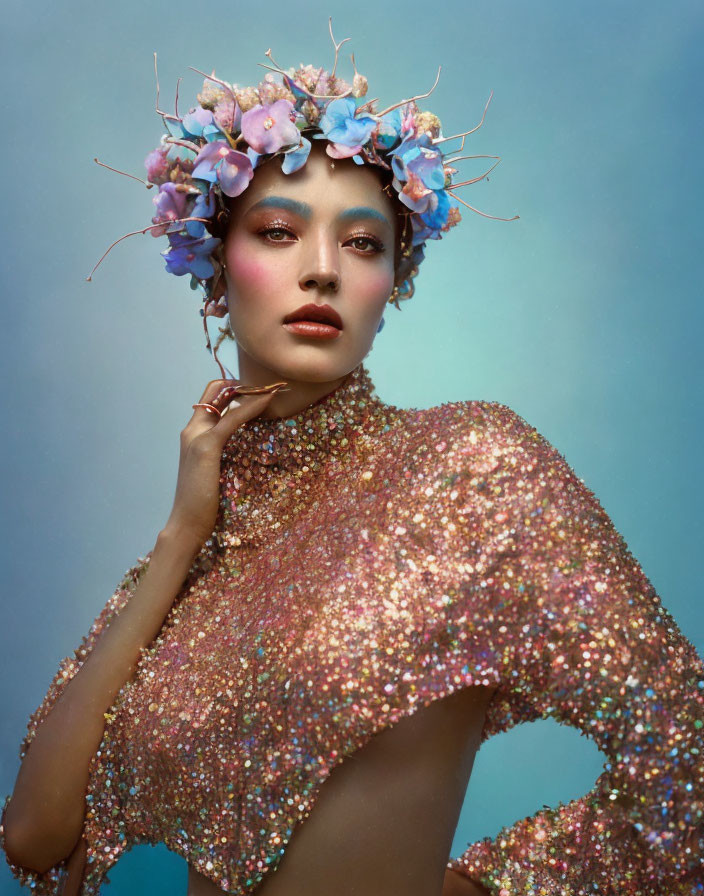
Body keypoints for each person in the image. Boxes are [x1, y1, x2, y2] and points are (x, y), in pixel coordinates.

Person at [1, 27, 703, 896]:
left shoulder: (468, 468)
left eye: (364, 243)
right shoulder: (205, 545)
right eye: (279, 231)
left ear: (394, 280)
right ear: (218, 267)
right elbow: (34, 836)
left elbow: (687, 764)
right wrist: (183, 536)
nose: (323, 270)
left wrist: (480, 888)